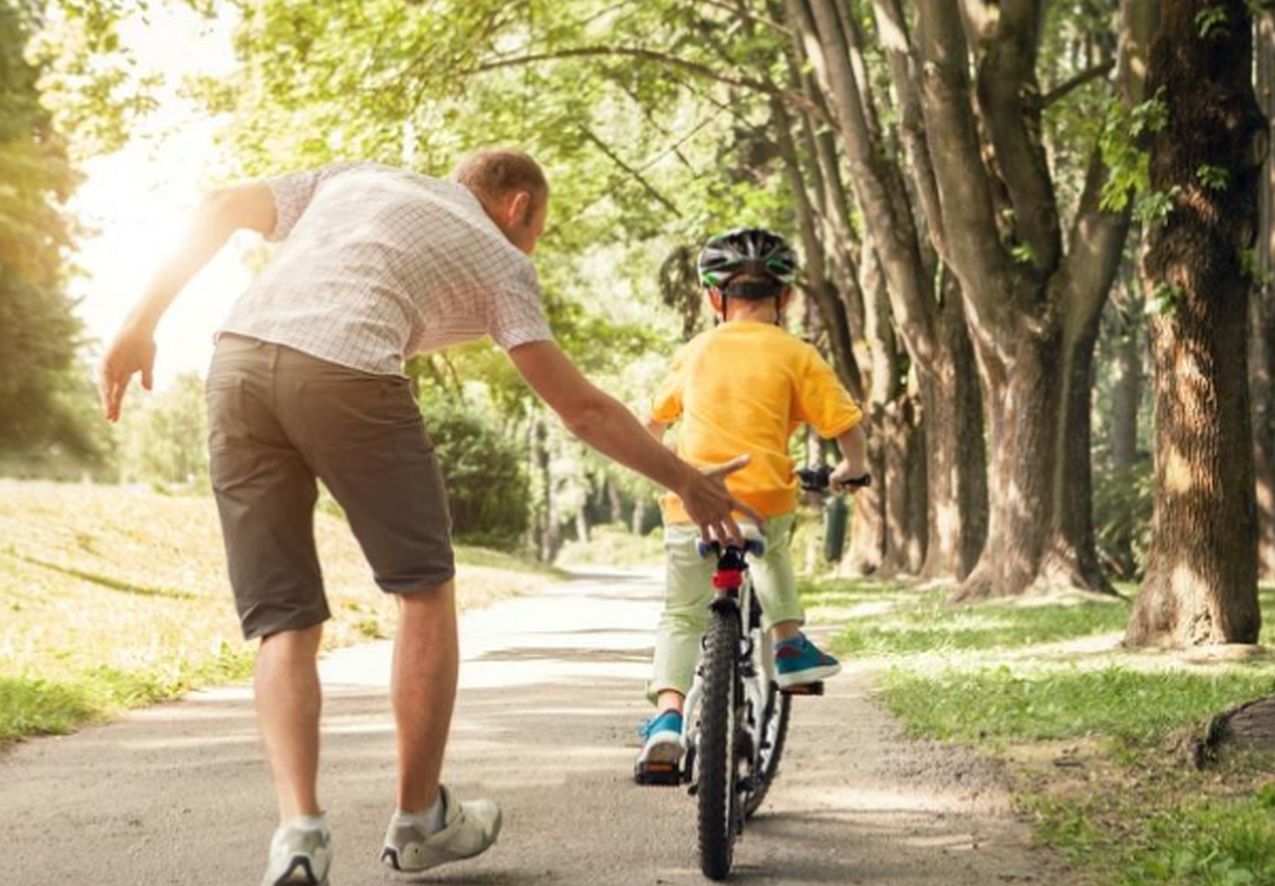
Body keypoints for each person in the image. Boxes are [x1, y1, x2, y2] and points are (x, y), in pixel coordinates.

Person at [100, 151, 759, 886]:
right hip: (348, 371)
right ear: (517, 208)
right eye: (537, 228)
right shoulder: (502, 257)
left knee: (283, 619)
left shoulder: (356, 177)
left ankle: (299, 834)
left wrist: (139, 323)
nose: (531, 245)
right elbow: (581, 408)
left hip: (238, 366)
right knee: (422, 589)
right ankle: (417, 820)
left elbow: (218, 203)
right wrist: (686, 481)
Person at [634, 227, 869, 779]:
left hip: (691, 499)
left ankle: (668, 719)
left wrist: (669, 470)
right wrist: (851, 469)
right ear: (783, 297)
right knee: (771, 551)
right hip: (762, 496)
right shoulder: (797, 353)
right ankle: (788, 645)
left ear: (715, 299)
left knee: (681, 613)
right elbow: (845, 425)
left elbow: (651, 424)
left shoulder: (695, 351)